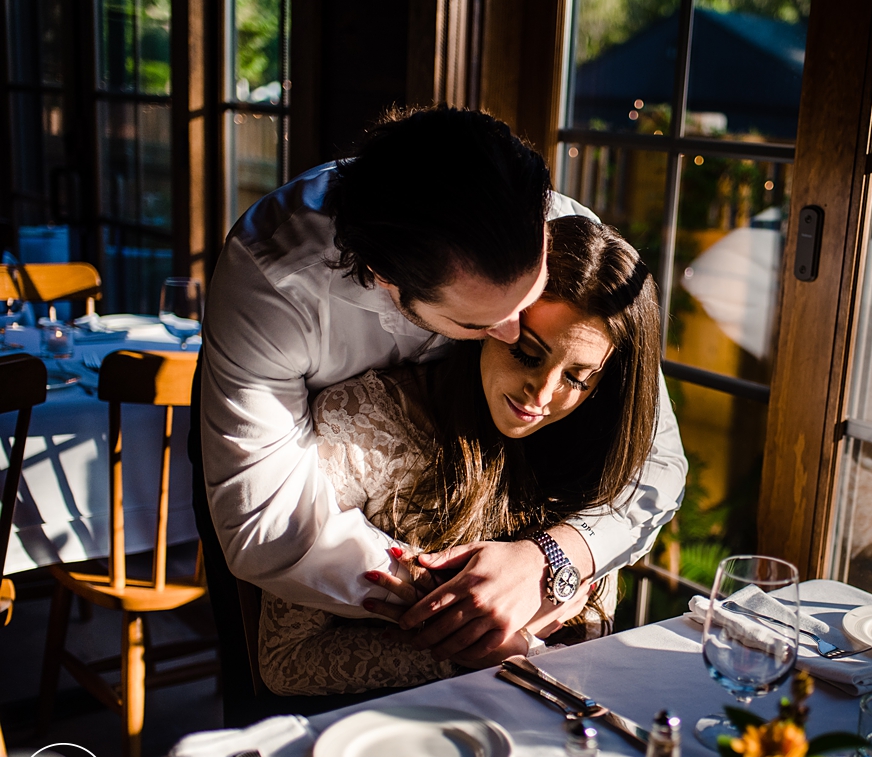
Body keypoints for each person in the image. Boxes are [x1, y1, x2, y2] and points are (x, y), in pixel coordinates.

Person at [193, 107, 686, 717]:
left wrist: (548, 560)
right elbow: (269, 528)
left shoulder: (561, 233)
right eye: (481, 325)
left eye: (527, 301)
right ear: (384, 280)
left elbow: (655, 457)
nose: (512, 332)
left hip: (483, 483)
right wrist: (466, 609)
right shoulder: (272, 279)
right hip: (296, 477)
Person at [258, 216, 661, 695]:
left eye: (577, 377)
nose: (542, 394)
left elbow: (591, 641)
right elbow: (284, 660)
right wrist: (483, 653)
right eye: (529, 354)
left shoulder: (590, 450)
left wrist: (518, 645)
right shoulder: (364, 426)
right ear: (495, 320)